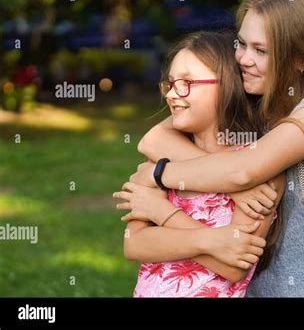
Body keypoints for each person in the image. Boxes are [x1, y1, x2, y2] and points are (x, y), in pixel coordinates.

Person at [132, 0, 304, 297]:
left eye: (260, 50)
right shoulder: (257, 96)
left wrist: (159, 173)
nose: (242, 58)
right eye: (241, 44)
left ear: (301, 59)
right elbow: (155, 137)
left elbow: (245, 170)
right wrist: (230, 185)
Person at [113, 30, 285, 297]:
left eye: (187, 83)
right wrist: (214, 239)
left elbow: (233, 266)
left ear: (227, 84)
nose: (172, 95)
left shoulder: (259, 168)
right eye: (170, 84)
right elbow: (134, 244)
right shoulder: (160, 160)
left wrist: (162, 213)